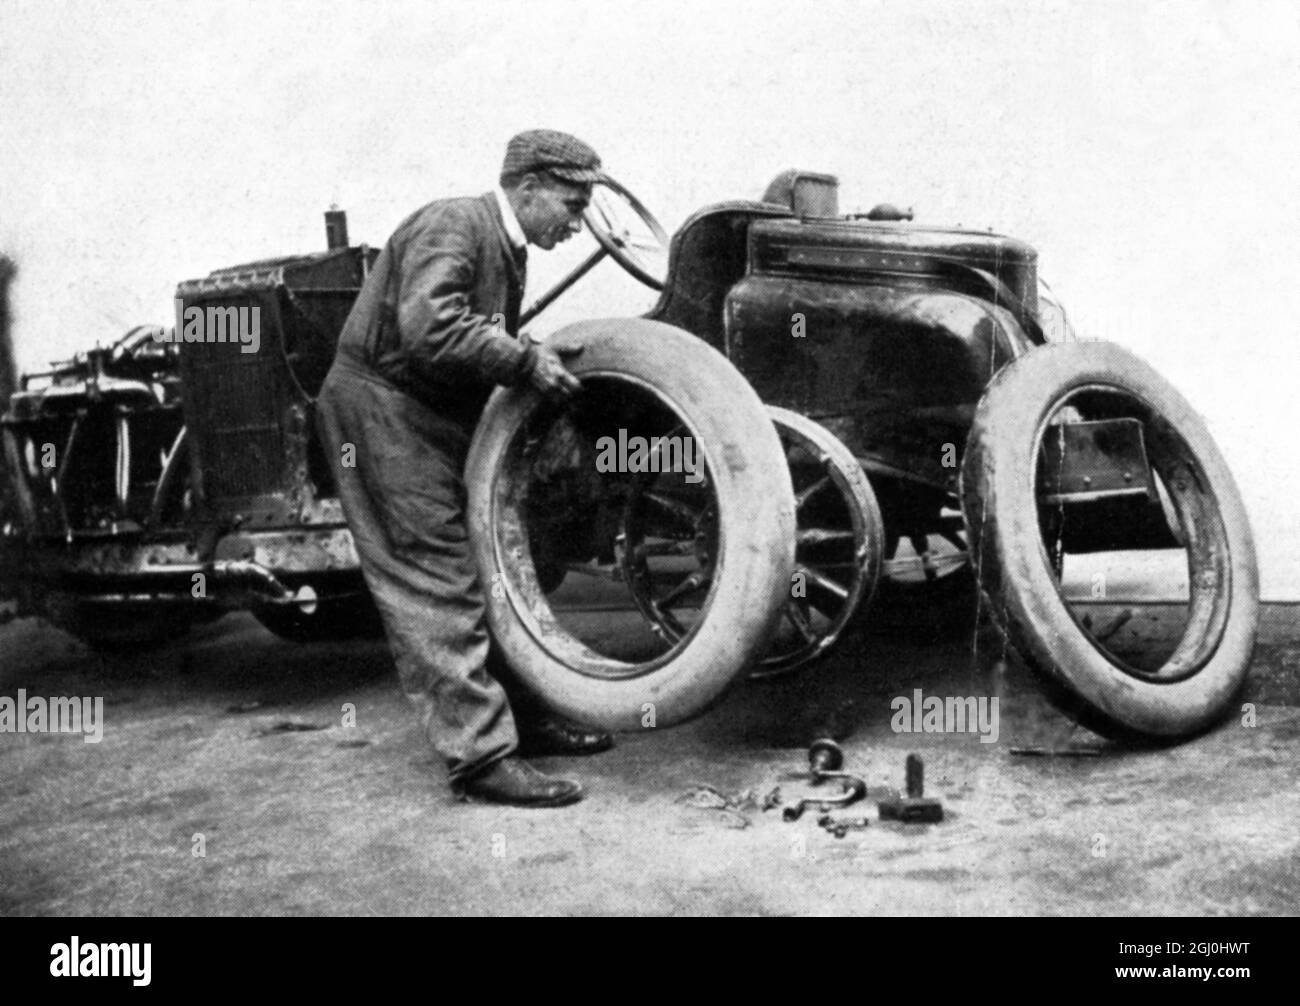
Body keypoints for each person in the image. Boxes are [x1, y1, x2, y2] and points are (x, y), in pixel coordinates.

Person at [316, 130, 614, 807]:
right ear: (529, 188)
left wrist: (524, 352)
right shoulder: (454, 222)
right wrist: (523, 360)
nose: (578, 224)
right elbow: (431, 328)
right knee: (436, 578)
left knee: (489, 564)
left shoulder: (506, 244)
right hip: (383, 415)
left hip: (426, 416)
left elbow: (462, 335)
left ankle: (523, 723)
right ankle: (480, 758)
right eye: (572, 205)